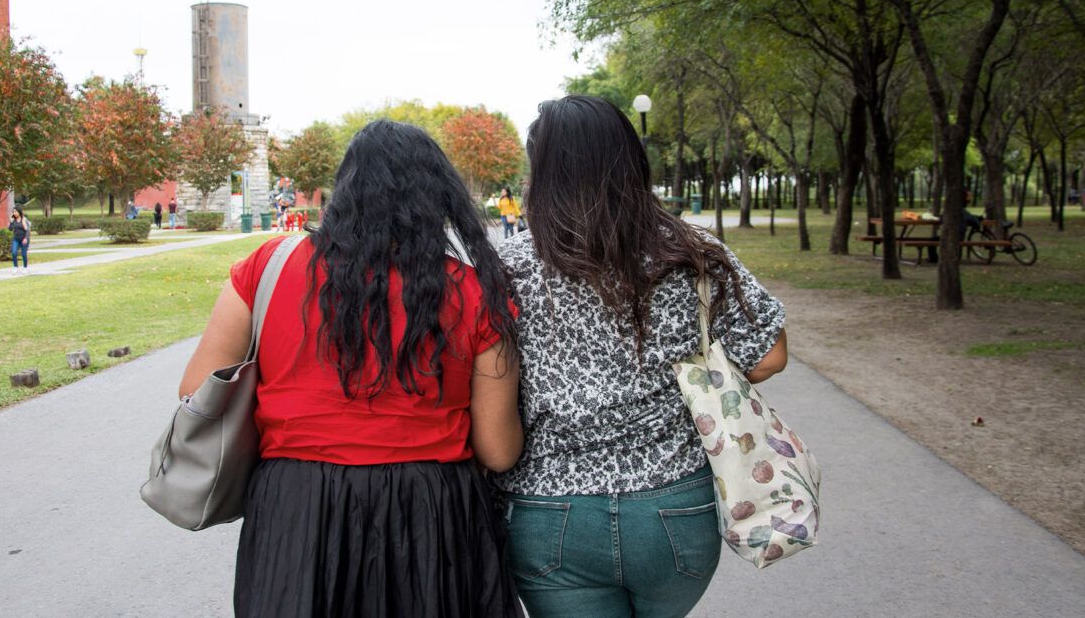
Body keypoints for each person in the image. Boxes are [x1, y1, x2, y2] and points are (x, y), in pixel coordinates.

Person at [178, 120, 525, 618]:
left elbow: (197, 391)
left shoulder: (268, 267)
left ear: (345, 189)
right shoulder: (474, 291)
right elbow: (497, 451)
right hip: (430, 513)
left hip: (297, 510)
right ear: (436, 196)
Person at [493, 96, 788, 618]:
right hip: (675, 508)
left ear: (542, 170)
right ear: (631, 160)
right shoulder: (692, 252)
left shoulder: (505, 268)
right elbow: (769, 355)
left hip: (549, 513)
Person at [8, 208, 31, 275]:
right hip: (16, 239)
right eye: (13, 212)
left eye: (15, 211)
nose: (14, 213)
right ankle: (15, 267)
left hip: (24, 239)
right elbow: (10, 229)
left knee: (24, 254)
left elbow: (27, 230)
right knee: (14, 252)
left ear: (19, 212)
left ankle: (25, 268)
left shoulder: (24, 220)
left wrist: (26, 238)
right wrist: (11, 222)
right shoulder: (13, 220)